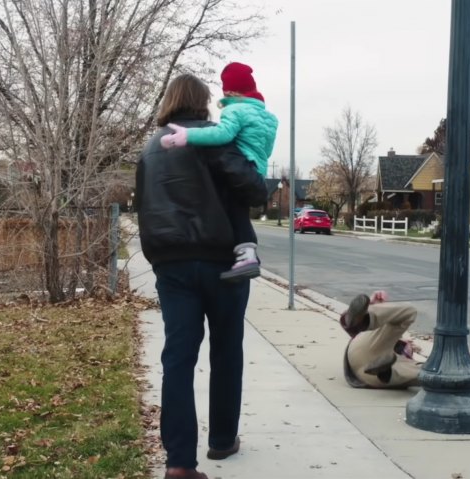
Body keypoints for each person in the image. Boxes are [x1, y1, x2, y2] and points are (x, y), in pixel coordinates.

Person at [135, 73, 268, 479]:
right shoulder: (217, 139)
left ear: (169, 102)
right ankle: (222, 440)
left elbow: (142, 204)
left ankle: (179, 463)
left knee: (178, 357)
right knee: (226, 351)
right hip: (224, 262)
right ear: (204, 103)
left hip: (172, 266)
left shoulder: (150, 149)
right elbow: (255, 191)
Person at [160, 62, 279, 282]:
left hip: (241, 163)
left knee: (231, 207)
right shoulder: (270, 118)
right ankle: (248, 253)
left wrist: (189, 136)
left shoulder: (235, 110)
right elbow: (267, 148)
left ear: (231, 91)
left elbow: (222, 135)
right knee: (239, 211)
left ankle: (248, 256)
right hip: (257, 168)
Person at [340, 291, 422, 389]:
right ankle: (366, 318)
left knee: (427, 371)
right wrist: (374, 306)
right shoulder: (384, 334)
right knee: (409, 311)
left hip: (373, 373)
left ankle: (385, 372)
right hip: (367, 360)